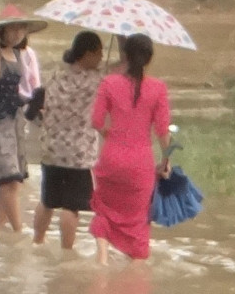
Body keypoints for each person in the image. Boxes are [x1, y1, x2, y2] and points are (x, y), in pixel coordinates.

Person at [89, 33, 172, 265]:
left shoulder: (109, 82)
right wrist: (166, 162)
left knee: (104, 211)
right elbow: (163, 132)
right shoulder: (158, 88)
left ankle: (103, 258)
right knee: (137, 222)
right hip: (140, 165)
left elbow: (96, 121)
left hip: (111, 161)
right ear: (149, 58)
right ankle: (134, 277)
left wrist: (111, 135)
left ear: (124, 55)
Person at [0, 6, 45, 232]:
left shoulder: (18, 55)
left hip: (15, 121)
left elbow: (26, 88)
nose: (16, 34)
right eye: (12, 29)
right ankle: (18, 231)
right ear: (2, 31)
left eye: (21, 29)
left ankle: (0, 229)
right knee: (9, 181)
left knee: (13, 181)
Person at [33, 31, 105, 250]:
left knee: (47, 200)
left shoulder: (56, 74)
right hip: (78, 154)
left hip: (52, 148)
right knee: (71, 207)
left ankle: (37, 242)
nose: (101, 58)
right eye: (98, 53)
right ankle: (66, 251)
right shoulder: (95, 80)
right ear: (86, 54)